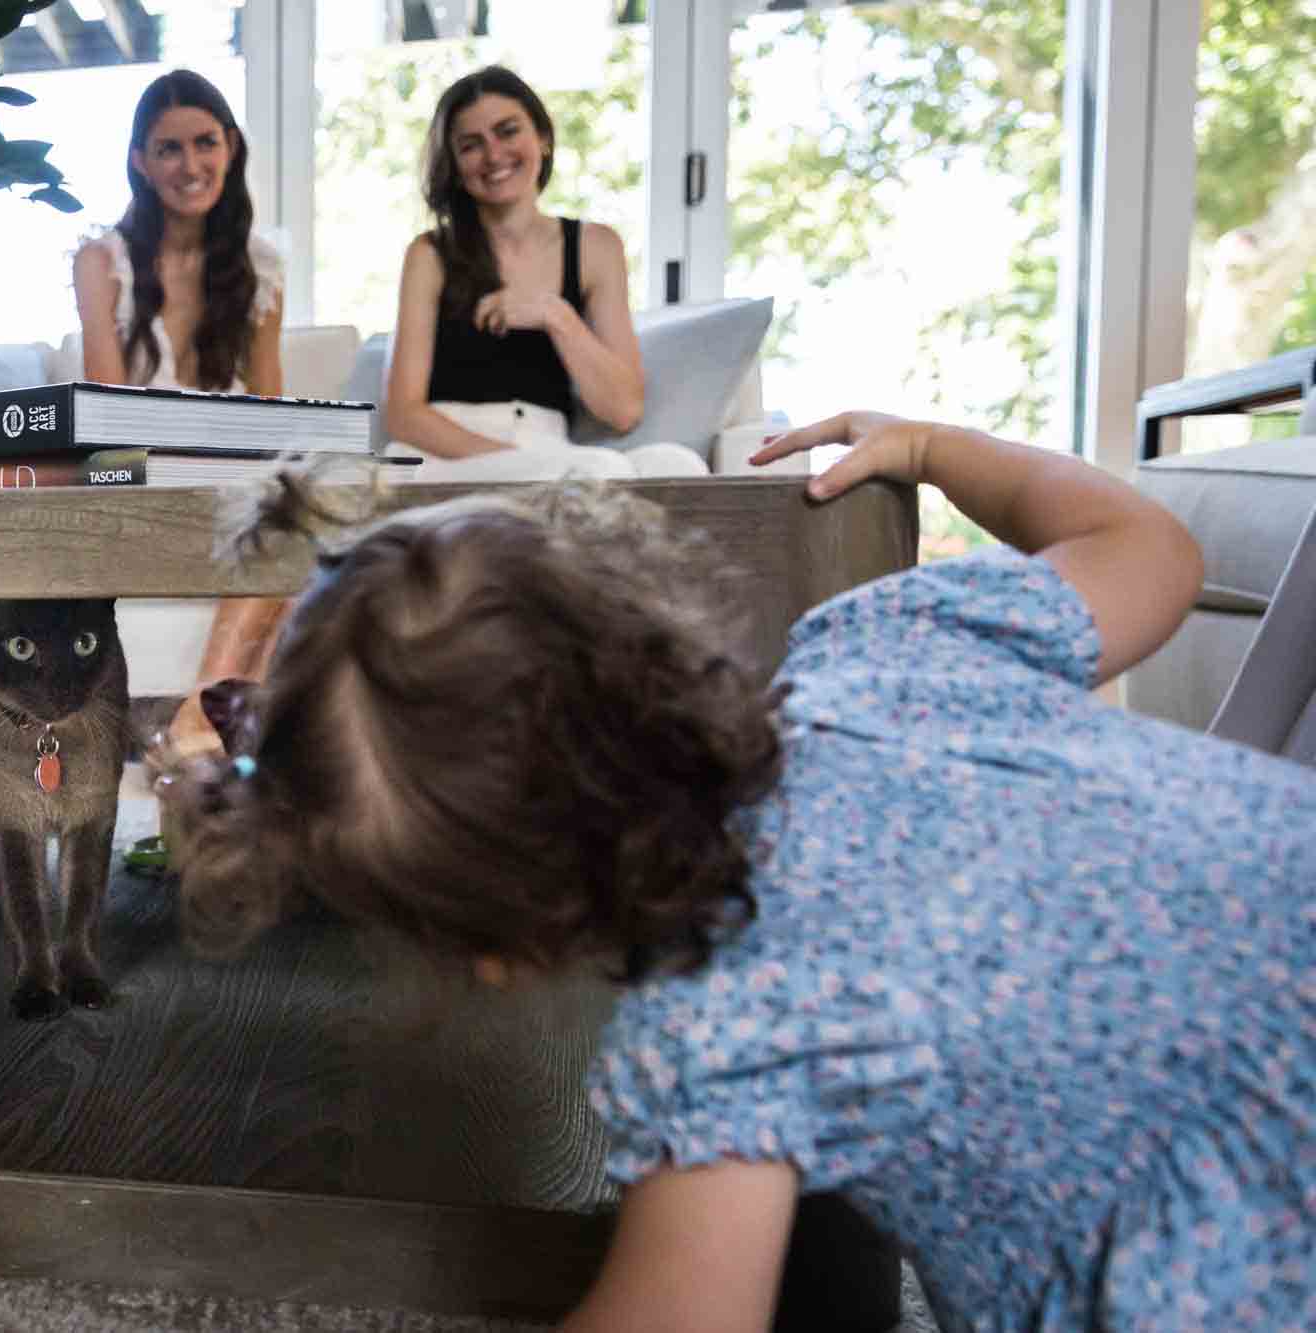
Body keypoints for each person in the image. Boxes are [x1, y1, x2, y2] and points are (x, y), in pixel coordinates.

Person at [153, 410, 1316, 1332]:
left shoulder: (722, 1026)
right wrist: (931, 448)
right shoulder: (881, 649)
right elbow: (1150, 551)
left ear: (492, 952)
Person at [72, 68, 288, 753]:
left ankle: (198, 721)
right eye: (169, 148)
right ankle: (208, 728)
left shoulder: (262, 269)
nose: (190, 165)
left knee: (298, 507)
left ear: (231, 145)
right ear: (140, 161)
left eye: (205, 143)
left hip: (230, 479)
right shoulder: (101, 261)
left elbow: (271, 414)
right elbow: (106, 419)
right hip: (129, 471)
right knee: (280, 519)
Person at [385, 66, 700, 483]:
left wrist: (554, 314)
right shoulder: (429, 254)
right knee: (599, 472)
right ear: (456, 166)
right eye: (471, 145)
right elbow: (404, 415)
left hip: (550, 449)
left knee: (678, 465)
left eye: (508, 131)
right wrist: (515, 461)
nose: (494, 155)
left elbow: (623, 410)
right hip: (450, 454)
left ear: (543, 138)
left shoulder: (596, 247)